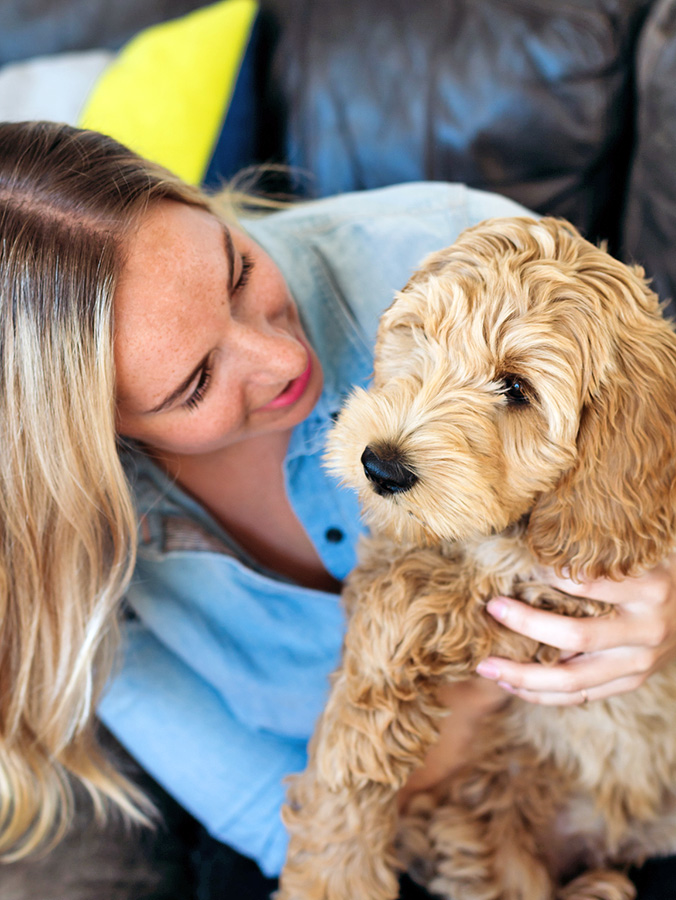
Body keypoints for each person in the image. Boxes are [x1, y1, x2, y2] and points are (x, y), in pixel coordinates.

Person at [1, 119, 676, 900]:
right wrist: (426, 701)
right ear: (94, 435)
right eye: (194, 383)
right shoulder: (59, 574)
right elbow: (278, 828)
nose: (286, 361)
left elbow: (639, 447)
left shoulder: (447, 246)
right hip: (406, 848)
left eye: (238, 270)